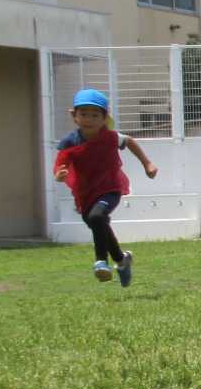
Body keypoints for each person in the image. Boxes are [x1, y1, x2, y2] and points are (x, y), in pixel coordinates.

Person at [52, 87, 158, 286]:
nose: (89, 119)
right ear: (74, 116)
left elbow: (130, 141)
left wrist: (147, 163)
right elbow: (61, 163)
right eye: (84, 114)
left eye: (95, 115)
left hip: (110, 188)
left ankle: (101, 262)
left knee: (97, 217)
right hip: (85, 193)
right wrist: (59, 174)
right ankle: (122, 260)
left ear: (104, 118)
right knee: (98, 223)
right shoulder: (70, 142)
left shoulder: (110, 137)